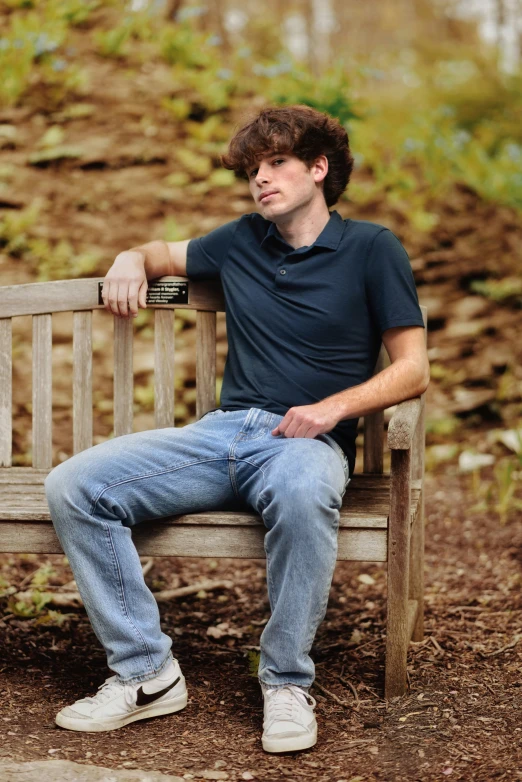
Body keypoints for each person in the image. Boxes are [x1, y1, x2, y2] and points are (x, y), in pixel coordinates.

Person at [45, 104, 429, 753]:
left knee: (306, 494)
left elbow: (414, 368)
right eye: (253, 169)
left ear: (318, 167)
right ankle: (146, 674)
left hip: (303, 444)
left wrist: (333, 409)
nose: (261, 178)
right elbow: (158, 251)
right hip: (223, 434)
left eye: (276, 162)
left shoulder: (372, 247)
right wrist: (130, 259)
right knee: (74, 484)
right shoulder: (240, 240)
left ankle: (284, 681)